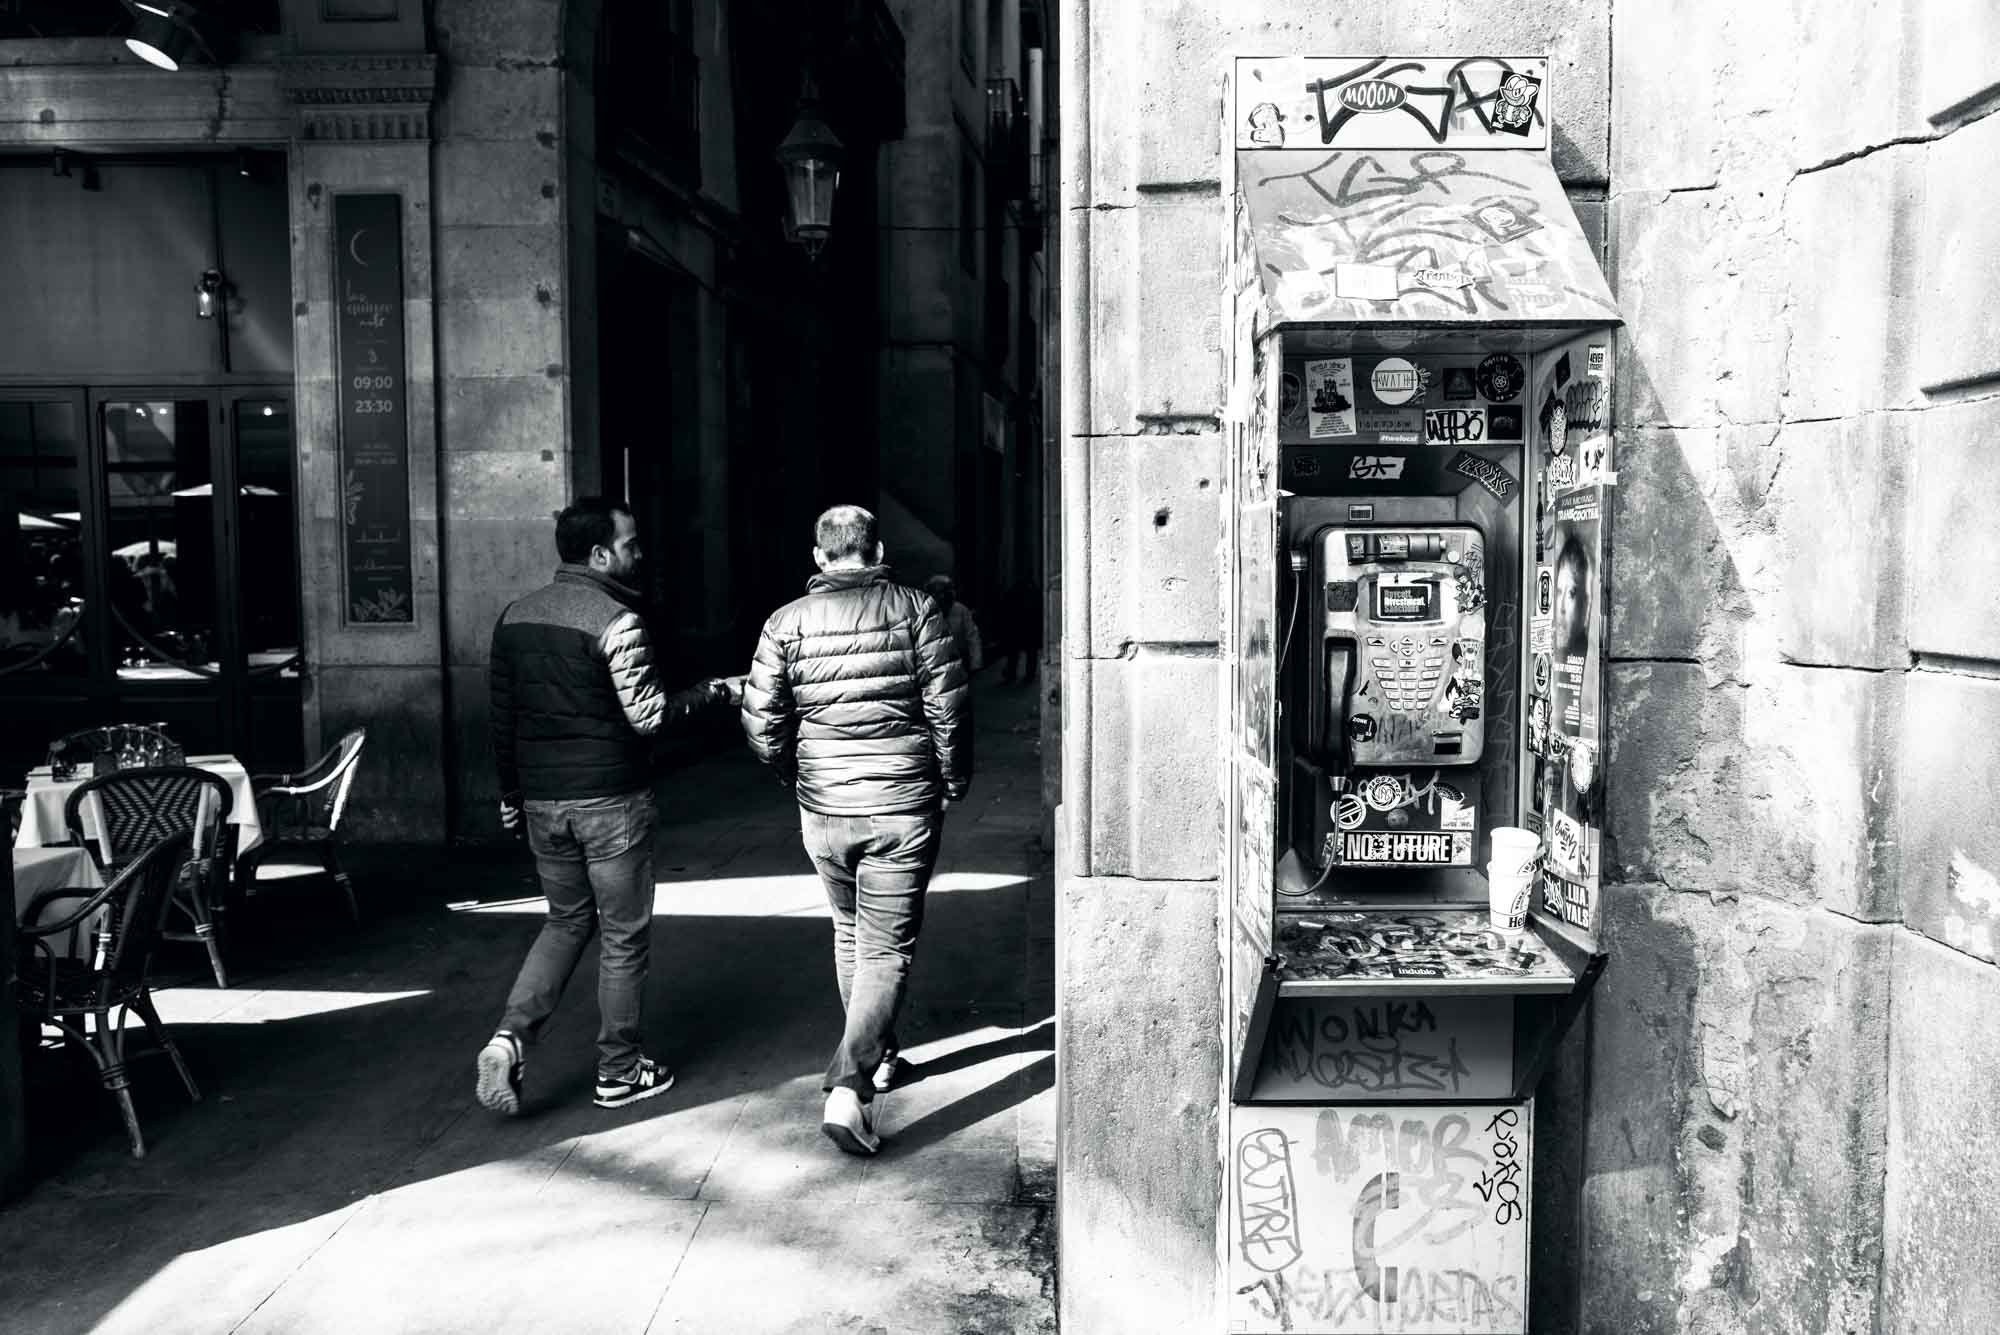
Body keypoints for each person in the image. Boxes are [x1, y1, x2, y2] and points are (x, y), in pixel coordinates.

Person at [475, 497, 740, 1116]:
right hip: (611, 802)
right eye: (630, 543)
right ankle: (619, 1071)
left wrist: (512, 795)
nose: (639, 553)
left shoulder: (514, 617)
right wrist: (709, 694)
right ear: (599, 554)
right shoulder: (616, 620)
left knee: (565, 921)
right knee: (623, 937)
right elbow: (648, 717)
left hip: (544, 803)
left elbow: (502, 719)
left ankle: (510, 1038)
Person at [741, 505, 971, 1156]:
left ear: (820, 557)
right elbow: (948, 709)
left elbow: (761, 728)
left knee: (850, 931)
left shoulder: (785, 623)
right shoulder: (916, 609)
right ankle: (850, 1084)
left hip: (825, 808)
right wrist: (950, 781)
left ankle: (880, 1050)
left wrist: (801, 774)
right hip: (901, 802)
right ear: (876, 549)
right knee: (887, 947)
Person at [923, 573, 983, 674]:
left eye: (946, 592)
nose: (942, 597)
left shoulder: (961, 610)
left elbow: (972, 637)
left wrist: (976, 663)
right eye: (938, 593)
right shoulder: (923, 611)